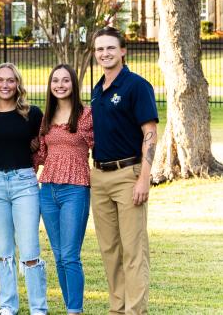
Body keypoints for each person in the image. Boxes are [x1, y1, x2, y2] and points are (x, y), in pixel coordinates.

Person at [91, 26, 157, 315]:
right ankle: (117, 309)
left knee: (134, 251)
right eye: (100, 49)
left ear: (122, 51)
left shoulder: (136, 86)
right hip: (99, 177)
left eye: (110, 48)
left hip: (128, 175)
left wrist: (144, 178)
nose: (105, 53)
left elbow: (150, 133)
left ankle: (135, 311)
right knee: (110, 251)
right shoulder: (97, 89)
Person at [0, 63, 46, 315]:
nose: (5, 85)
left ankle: (38, 308)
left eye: (10, 80)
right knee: (3, 250)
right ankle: (8, 305)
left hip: (24, 185)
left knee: (29, 249)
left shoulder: (32, 113)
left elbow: (43, 144)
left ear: (18, 84)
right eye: (0, 80)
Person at [33, 64, 93, 315]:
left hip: (75, 190)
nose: (60, 85)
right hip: (47, 191)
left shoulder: (86, 115)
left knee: (70, 255)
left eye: (65, 80)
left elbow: (101, 147)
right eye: (55, 80)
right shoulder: (46, 117)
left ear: (73, 84)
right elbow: (40, 155)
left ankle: (74, 310)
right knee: (58, 255)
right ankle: (71, 308)